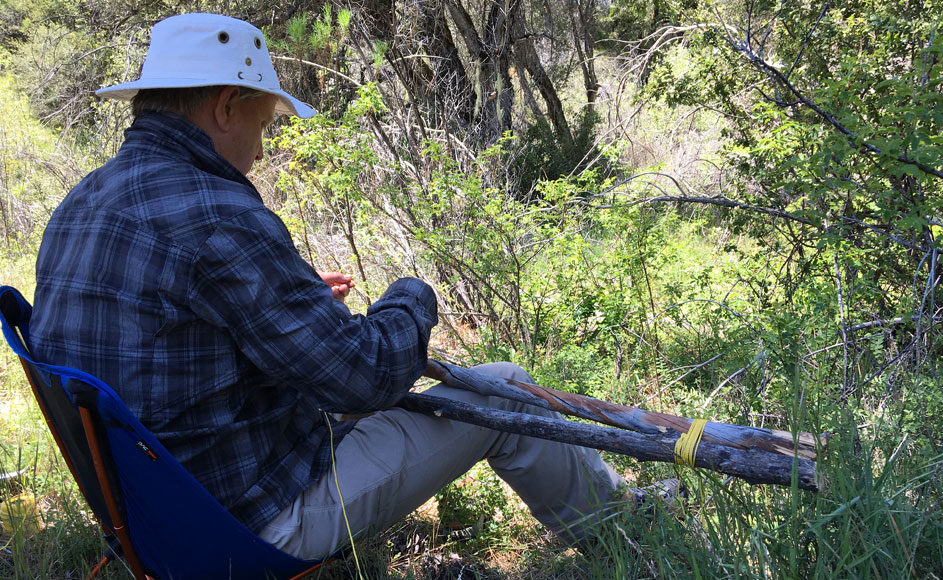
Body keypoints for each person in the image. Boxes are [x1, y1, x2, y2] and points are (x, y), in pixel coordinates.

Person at [30, 13, 624, 560]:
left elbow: (165, 325)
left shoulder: (82, 201)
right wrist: (413, 295)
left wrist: (286, 300)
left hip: (153, 514)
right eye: (262, 125)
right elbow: (365, 377)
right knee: (503, 393)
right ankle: (628, 535)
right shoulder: (219, 215)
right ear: (227, 106)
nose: (260, 151)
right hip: (245, 524)